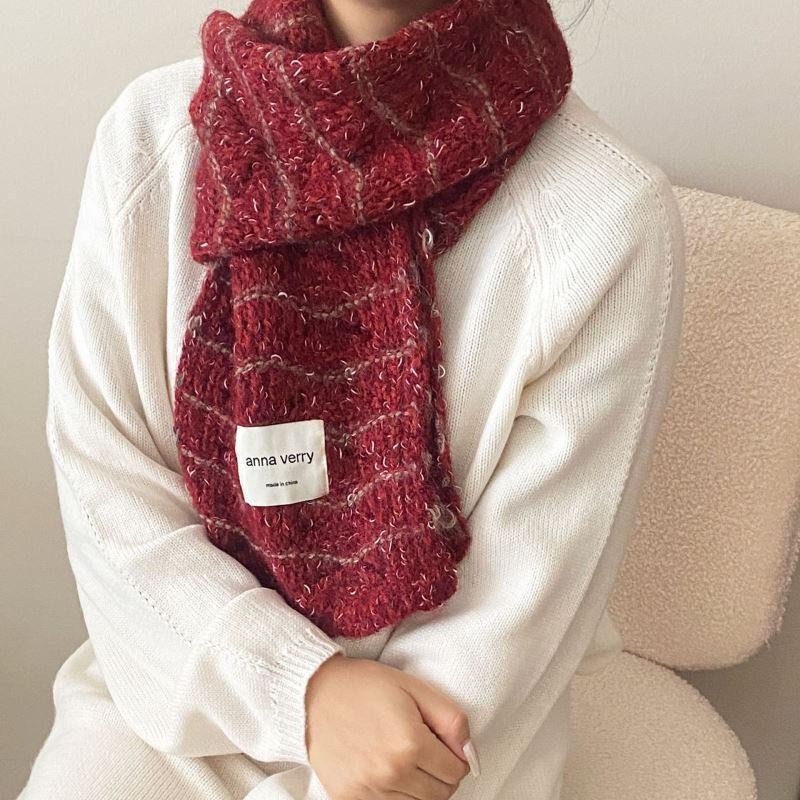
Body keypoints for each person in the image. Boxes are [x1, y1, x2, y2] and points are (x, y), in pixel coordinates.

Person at [18, 0, 685, 796]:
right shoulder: (155, 136)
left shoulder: (606, 218)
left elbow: (508, 625)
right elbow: (106, 486)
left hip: (429, 742)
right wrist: (296, 688)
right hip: (172, 689)